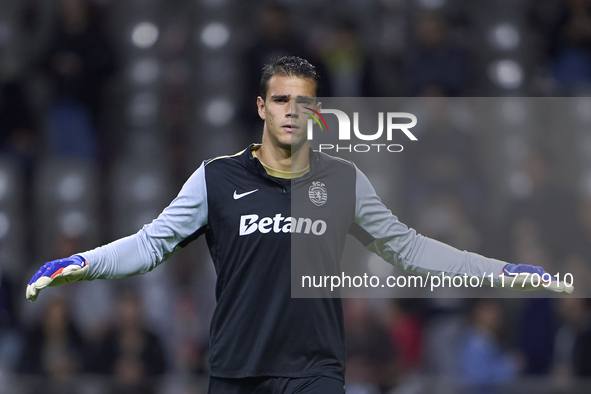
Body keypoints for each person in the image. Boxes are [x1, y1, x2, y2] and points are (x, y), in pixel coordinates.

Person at [26, 56, 573, 394]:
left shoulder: (343, 180)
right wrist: (81, 265)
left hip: (314, 371)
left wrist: (502, 270)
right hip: (237, 368)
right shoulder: (216, 179)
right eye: (282, 100)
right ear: (261, 106)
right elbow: (151, 246)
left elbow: (410, 250)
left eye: (305, 102)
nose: (292, 111)